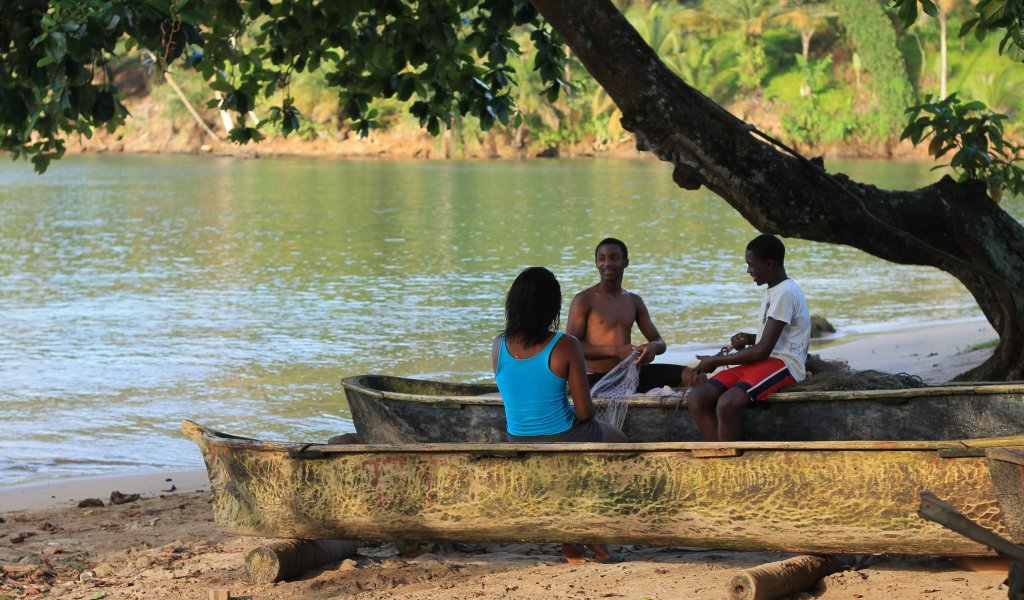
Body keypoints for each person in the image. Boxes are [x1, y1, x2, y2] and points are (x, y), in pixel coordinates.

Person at [492, 266, 626, 564]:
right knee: (619, 440)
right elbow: (584, 411)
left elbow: (519, 396)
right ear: (552, 306)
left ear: (512, 303)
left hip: (518, 437)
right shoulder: (565, 345)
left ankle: (571, 541)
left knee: (573, 456)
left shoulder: (498, 344)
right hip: (562, 434)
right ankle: (589, 533)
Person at [688, 234, 811, 442]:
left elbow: (763, 350)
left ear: (770, 264)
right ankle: (721, 452)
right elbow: (769, 339)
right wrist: (748, 338)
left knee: (726, 404)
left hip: (785, 363)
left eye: (751, 265)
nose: (748, 271)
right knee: (696, 399)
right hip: (765, 360)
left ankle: (728, 463)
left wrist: (716, 361)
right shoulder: (773, 289)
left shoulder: (786, 293)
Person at [567, 238, 699, 392]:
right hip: (597, 378)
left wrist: (653, 347)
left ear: (625, 262)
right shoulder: (584, 299)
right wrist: (616, 350)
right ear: (596, 263)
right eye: (601, 259)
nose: (607, 263)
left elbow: (660, 342)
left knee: (695, 376)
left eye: (614, 258)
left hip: (629, 373)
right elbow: (572, 347)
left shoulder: (634, 301)